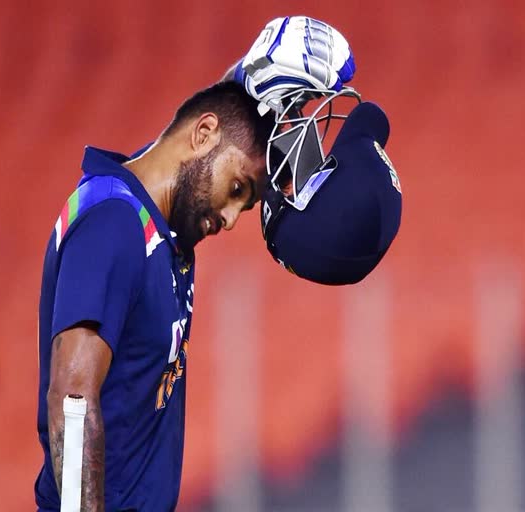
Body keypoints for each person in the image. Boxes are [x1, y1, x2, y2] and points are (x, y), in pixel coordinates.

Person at [35, 17, 354, 511]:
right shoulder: (114, 223)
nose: (230, 219)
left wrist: (257, 77)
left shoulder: (163, 230)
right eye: (237, 190)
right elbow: (72, 400)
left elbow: (215, 113)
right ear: (204, 134)